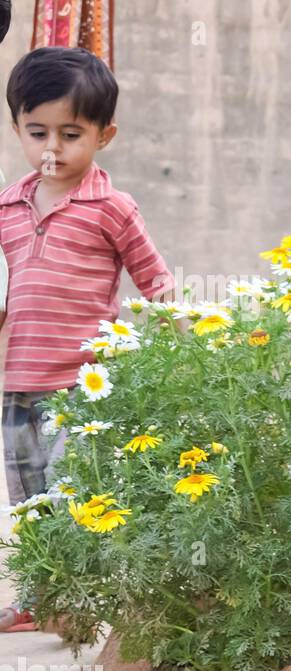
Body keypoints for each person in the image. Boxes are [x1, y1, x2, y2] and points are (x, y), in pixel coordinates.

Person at [0, 46, 175, 632]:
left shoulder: (113, 208)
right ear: (17, 128)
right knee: (28, 501)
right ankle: (37, 600)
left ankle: (80, 604)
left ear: (105, 135)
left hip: (84, 385)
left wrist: (179, 339)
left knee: (77, 495)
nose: (52, 149)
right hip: (19, 383)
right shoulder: (5, 206)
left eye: (71, 133)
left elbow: (155, 279)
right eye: (37, 131)